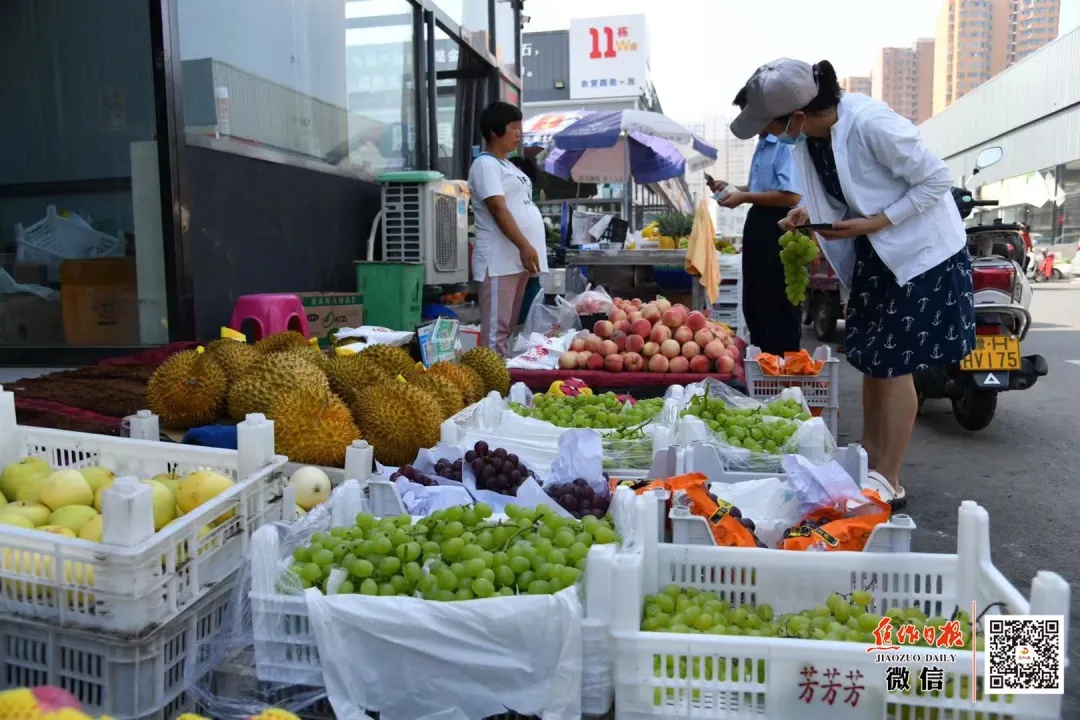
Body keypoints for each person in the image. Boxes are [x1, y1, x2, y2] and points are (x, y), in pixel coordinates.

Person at [730, 58, 977, 506]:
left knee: (894, 365)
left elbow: (936, 180)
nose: (768, 135)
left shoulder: (870, 123)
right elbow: (844, 192)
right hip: (876, 255)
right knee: (870, 358)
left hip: (919, 255)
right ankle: (867, 460)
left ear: (798, 116)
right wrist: (809, 213)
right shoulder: (812, 139)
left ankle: (890, 478)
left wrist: (875, 223)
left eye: (770, 126)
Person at [708, 92, 803, 355]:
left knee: (777, 303)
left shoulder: (786, 144)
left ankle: (784, 372)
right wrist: (733, 188)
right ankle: (762, 364)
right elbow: (764, 188)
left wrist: (744, 197)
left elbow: (792, 195)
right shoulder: (763, 144)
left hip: (781, 224)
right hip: (758, 222)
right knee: (755, 301)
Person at [468, 102, 548, 357]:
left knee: (509, 328)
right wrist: (525, 245)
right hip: (499, 261)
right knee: (496, 331)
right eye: (513, 128)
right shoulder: (485, 165)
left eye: (519, 128)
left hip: (517, 261)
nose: (518, 134)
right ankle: (490, 389)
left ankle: (502, 384)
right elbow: (498, 208)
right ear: (494, 131)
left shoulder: (508, 166)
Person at [508, 155, 545, 327]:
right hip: (524, 259)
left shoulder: (522, 193)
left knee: (525, 312)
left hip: (526, 260)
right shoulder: (528, 193)